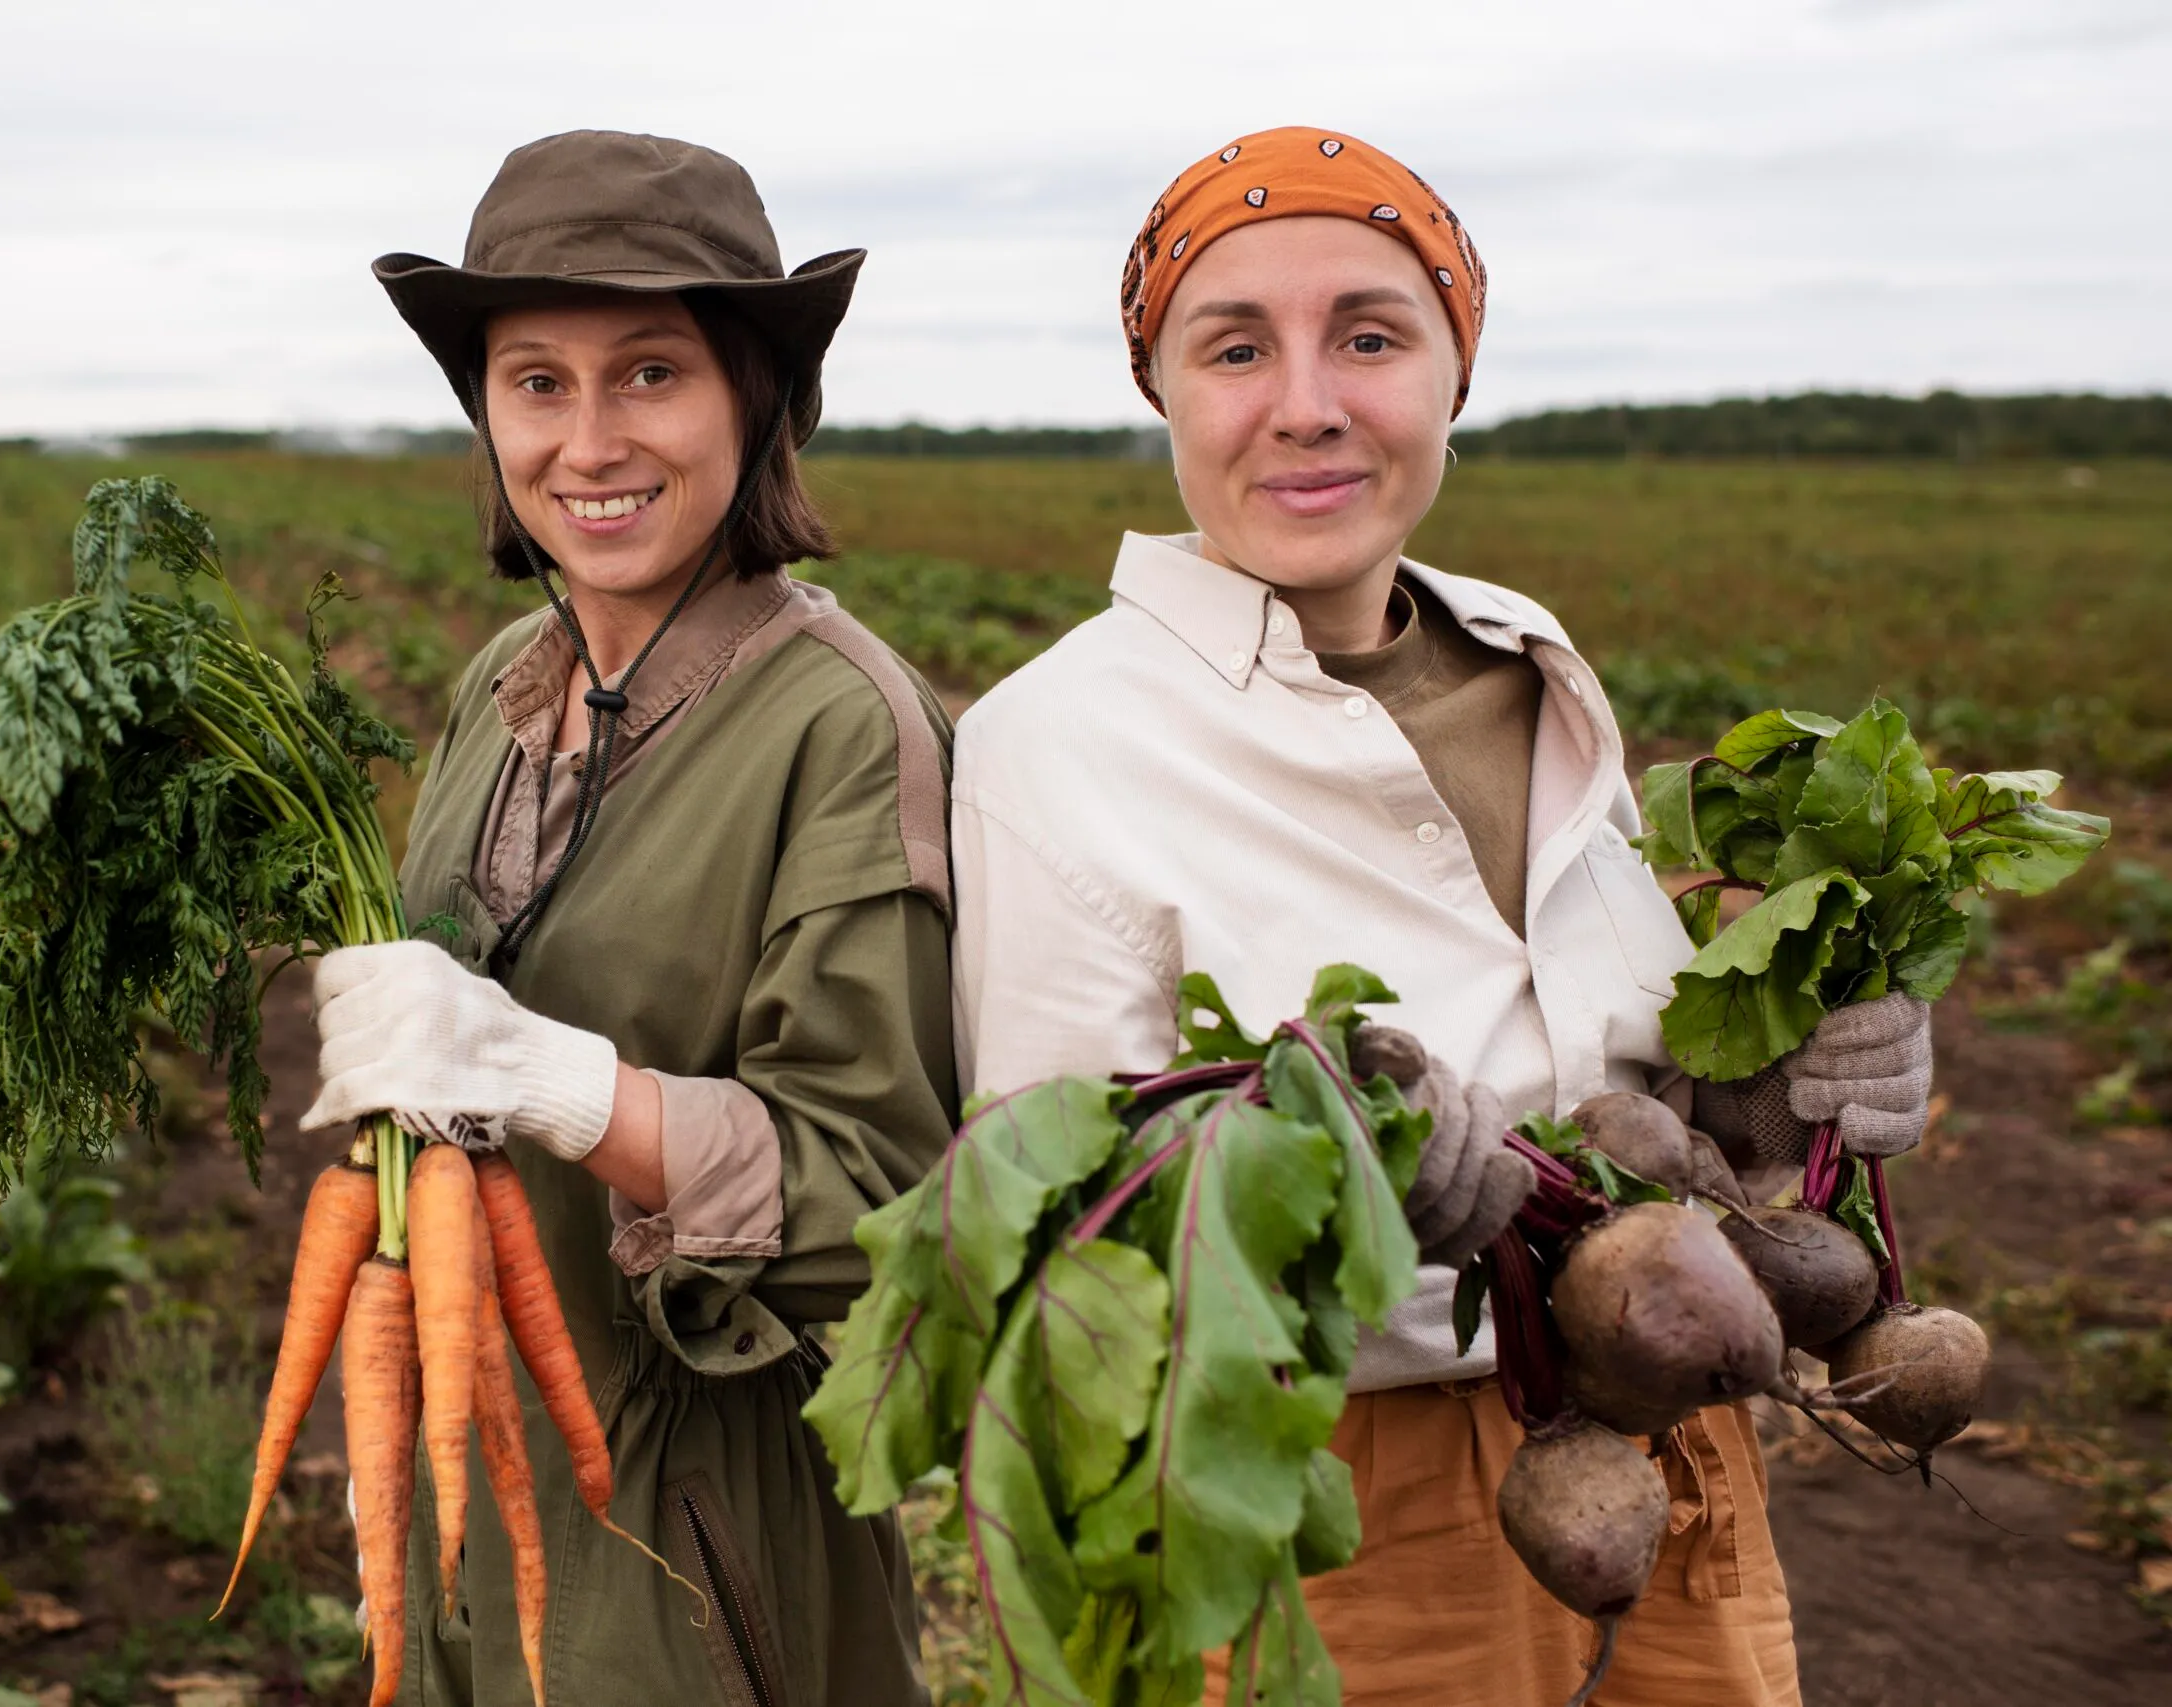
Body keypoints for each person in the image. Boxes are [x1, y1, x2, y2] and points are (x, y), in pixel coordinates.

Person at [948, 127, 1933, 1705]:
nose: (1307, 403)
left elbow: (1625, 1075)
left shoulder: (1527, 664)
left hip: (1673, 1448)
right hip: (1337, 1510)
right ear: (1162, 392)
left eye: (1370, 336)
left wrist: (1793, 1087)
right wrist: (1327, 1198)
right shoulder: (1054, 742)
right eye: (1235, 349)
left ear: (1455, 369)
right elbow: (1066, 1240)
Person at [302, 130, 955, 1707]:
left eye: (650, 374)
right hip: (472, 1477)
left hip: (699, 1531)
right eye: (536, 383)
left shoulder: (842, 724)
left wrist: (563, 1086)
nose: (588, 441)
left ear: (756, 400)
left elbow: (886, 1210)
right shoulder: (504, 686)